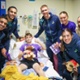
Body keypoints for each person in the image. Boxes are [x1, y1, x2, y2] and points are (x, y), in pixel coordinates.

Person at [34, 4, 62, 72]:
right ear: (41, 12)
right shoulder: (42, 21)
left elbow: (59, 29)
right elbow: (41, 30)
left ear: (48, 10)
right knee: (49, 57)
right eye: (42, 11)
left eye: (45, 10)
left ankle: (60, 73)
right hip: (49, 41)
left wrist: (58, 41)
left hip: (56, 40)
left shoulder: (55, 18)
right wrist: (34, 36)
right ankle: (51, 72)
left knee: (58, 58)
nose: (44, 12)